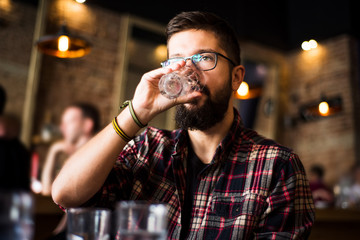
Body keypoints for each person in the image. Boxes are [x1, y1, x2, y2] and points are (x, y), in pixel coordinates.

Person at [52, 11, 315, 239]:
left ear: (236, 78)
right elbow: (66, 194)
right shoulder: (147, 149)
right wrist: (136, 113)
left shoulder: (277, 166)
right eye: (176, 61)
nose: (189, 71)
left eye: (204, 58)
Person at [41, 103, 100, 239]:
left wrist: (56, 233)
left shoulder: (94, 157)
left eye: (69, 121)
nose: (62, 127)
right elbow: (47, 191)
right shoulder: (74, 159)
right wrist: (53, 151)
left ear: (87, 125)